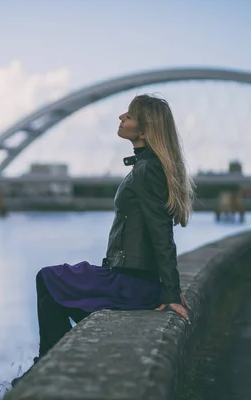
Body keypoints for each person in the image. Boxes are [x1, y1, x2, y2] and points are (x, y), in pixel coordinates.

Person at [11, 94, 195, 387]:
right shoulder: (146, 167)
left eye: (130, 115)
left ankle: (47, 366)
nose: (122, 117)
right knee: (51, 291)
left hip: (132, 283)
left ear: (145, 130)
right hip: (131, 278)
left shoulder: (148, 171)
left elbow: (162, 234)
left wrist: (171, 294)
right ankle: (50, 365)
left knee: (47, 279)